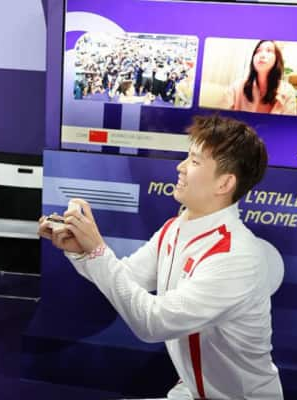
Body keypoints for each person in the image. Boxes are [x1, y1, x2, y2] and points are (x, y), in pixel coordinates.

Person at [39, 114, 283, 399]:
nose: (180, 167)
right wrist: (81, 251)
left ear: (224, 184)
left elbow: (153, 323)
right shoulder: (176, 227)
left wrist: (97, 251)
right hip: (192, 389)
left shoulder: (237, 257)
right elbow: (127, 277)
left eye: (194, 161)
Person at [225, 40, 297, 115]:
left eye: (269, 50)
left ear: (277, 59)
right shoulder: (236, 87)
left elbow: (289, 125)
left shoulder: (287, 91)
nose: (262, 55)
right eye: (258, 51)